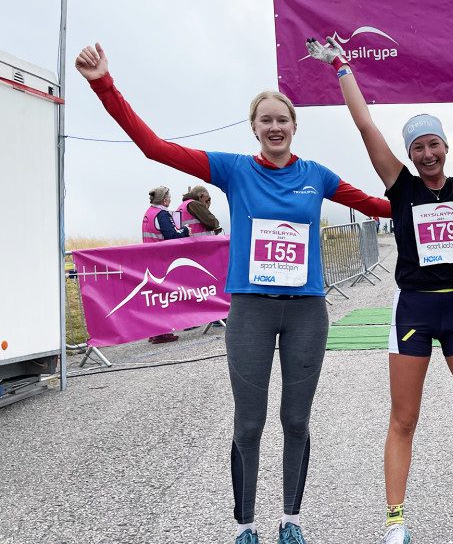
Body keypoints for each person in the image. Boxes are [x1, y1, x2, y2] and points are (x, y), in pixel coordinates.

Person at [75, 42, 392, 544]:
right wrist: (104, 84)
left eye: (282, 120)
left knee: (295, 419)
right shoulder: (232, 170)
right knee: (249, 422)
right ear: (254, 128)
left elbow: (379, 205)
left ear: (293, 126)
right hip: (250, 311)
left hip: (307, 313)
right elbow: (155, 148)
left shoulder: (317, 176)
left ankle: (291, 518)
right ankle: (245, 525)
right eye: (265, 120)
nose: (274, 127)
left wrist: (435, 198)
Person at [306, 31, 453, 544]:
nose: (427, 153)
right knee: (403, 417)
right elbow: (364, 124)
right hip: (413, 310)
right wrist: (342, 67)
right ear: (409, 153)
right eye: (418, 147)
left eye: (434, 144)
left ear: (445, 147)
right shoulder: (399, 186)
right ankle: (395, 520)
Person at [143, 185, 189, 343]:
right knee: (164, 295)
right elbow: (172, 236)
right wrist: (185, 230)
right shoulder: (162, 214)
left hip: (150, 258)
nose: (170, 199)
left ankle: (154, 331)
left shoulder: (149, 212)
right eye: (169, 197)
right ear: (164, 199)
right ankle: (163, 332)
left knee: (155, 296)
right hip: (162, 260)